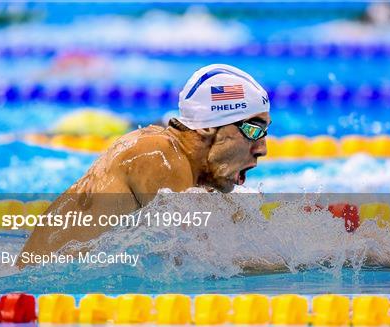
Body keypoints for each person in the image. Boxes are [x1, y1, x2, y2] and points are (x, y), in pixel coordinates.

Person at [18, 64, 271, 263]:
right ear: (206, 126)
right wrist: (302, 263)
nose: (262, 149)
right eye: (253, 130)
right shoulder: (159, 156)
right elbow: (203, 262)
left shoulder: (186, 171)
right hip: (46, 298)